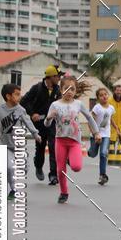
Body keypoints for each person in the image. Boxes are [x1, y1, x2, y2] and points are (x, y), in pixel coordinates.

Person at [44, 75, 100, 204]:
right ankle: (64, 192)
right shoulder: (55, 105)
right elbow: (46, 125)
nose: (69, 92)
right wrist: (48, 118)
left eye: (72, 89)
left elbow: (90, 118)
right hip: (60, 141)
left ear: (75, 91)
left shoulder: (78, 104)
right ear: (61, 89)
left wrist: (96, 132)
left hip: (74, 141)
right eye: (66, 88)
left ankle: (71, 158)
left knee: (76, 167)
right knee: (60, 170)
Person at [21, 65, 62, 184]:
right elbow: (24, 101)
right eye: (58, 76)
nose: (59, 78)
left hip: (52, 123)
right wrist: (32, 113)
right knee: (40, 147)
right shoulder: (37, 88)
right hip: (39, 124)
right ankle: (38, 166)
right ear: (51, 77)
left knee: (54, 147)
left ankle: (53, 175)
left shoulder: (58, 89)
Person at [87, 87, 117, 186]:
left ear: (108, 95)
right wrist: (95, 134)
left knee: (103, 153)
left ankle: (102, 175)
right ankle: (90, 151)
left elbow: (110, 119)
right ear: (98, 98)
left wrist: (117, 129)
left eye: (105, 94)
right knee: (93, 154)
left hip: (106, 135)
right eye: (101, 95)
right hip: (96, 135)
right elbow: (90, 122)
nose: (104, 96)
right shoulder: (97, 108)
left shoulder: (111, 108)